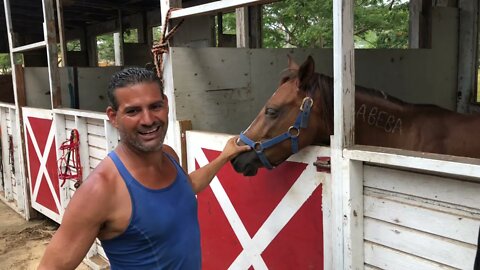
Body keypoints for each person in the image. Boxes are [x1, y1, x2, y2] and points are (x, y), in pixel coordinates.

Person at [38, 67, 251, 269]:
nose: (148, 120)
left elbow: (188, 186)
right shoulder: (100, 190)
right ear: (113, 116)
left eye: (155, 106)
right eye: (133, 111)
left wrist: (224, 156)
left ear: (166, 104)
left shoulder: (168, 155)